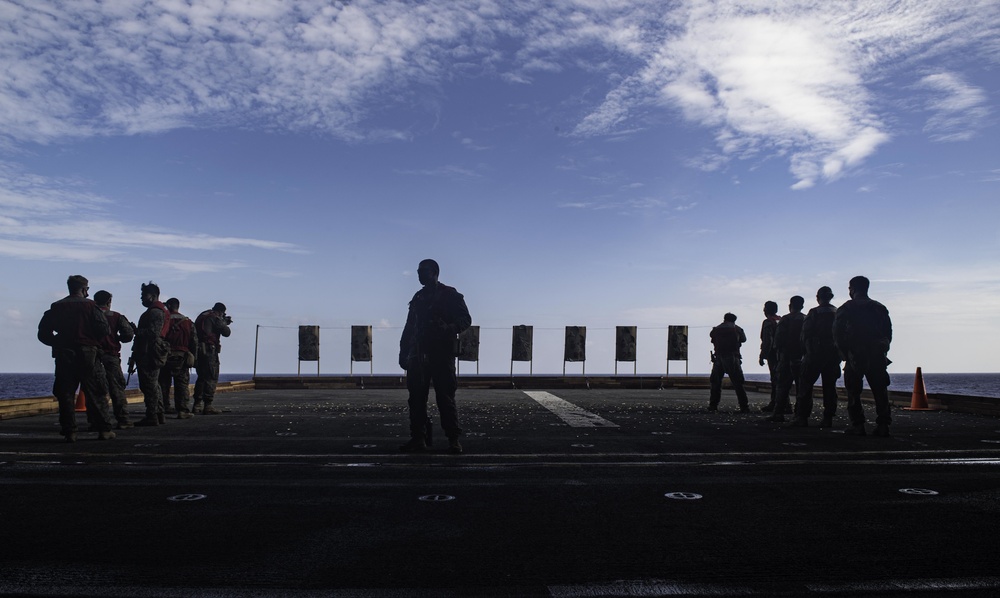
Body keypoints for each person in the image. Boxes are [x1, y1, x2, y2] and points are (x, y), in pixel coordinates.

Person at [398, 259, 472, 454]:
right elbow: (410, 327)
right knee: (416, 398)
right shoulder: (419, 297)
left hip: (441, 353)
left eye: (423, 271)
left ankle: (453, 439)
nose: (419, 275)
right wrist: (403, 350)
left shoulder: (450, 295)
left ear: (435, 272)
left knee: (445, 397)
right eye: (418, 271)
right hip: (419, 354)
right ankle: (418, 438)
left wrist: (449, 328)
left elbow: (465, 319)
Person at [36, 275, 116, 441]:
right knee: (97, 392)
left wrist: (58, 342)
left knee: (65, 394)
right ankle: (103, 429)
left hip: (64, 354)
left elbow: (43, 333)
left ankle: (70, 431)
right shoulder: (91, 306)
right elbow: (104, 329)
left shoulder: (57, 307)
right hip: (88, 354)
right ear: (84, 289)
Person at [834, 276, 893, 437]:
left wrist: (845, 354)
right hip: (876, 354)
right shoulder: (879, 308)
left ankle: (858, 425)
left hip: (855, 355)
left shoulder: (846, 309)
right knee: (880, 391)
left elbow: (837, 335)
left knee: (853, 392)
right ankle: (883, 425)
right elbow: (888, 333)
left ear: (852, 289)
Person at [790, 287, 842, 428]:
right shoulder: (838, 312)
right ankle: (828, 417)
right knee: (830, 387)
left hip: (814, 354)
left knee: (805, 386)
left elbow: (805, 335)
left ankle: (802, 417)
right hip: (833, 355)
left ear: (817, 297)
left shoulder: (814, 313)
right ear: (831, 296)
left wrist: (805, 352)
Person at [94, 290, 136, 429]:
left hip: (92, 356)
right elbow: (128, 334)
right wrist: (117, 338)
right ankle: (123, 419)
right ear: (109, 302)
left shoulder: (88, 315)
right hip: (111, 355)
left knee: (95, 389)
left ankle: (97, 421)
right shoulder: (116, 316)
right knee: (117, 388)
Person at [132, 281, 170, 427]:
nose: (142, 298)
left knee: (149, 385)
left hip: (149, 352)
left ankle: (152, 415)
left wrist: (136, 331)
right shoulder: (159, 311)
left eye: (144, 295)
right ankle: (158, 414)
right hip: (152, 351)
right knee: (154, 384)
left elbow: (153, 333)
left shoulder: (154, 312)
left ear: (153, 296)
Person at [765, 296, 805, 422]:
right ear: (802, 306)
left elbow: (777, 340)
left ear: (790, 305)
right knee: (802, 387)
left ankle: (778, 413)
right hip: (802, 357)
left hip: (786, 357)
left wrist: (776, 354)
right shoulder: (806, 318)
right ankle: (800, 415)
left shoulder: (786, 319)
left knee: (782, 385)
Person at [158, 298, 198, 419]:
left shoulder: (164, 320)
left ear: (169, 306)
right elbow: (194, 341)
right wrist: (194, 358)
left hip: (165, 356)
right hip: (182, 356)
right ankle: (182, 410)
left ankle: (164, 407)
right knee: (182, 384)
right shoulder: (188, 322)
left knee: (163, 383)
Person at [193, 302, 231, 415]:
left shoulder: (202, 315)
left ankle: (197, 404)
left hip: (198, 351)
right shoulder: (214, 317)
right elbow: (226, 332)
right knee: (211, 377)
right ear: (221, 312)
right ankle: (208, 405)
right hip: (209, 350)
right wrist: (224, 322)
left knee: (201, 378)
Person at [708, 313, 750, 413]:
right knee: (738, 383)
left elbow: (711, 337)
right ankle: (744, 406)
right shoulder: (737, 329)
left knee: (716, 383)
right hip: (732, 357)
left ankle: (713, 405)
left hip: (718, 357)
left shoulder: (716, 329)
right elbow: (743, 339)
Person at [758, 301, 781, 412]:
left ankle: (775, 403)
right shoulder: (781, 320)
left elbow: (768, 340)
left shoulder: (768, 322)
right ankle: (784, 404)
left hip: (773, 354)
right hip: (784, 354)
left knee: (775, 379)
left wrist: (763, 355)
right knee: (782, 379)